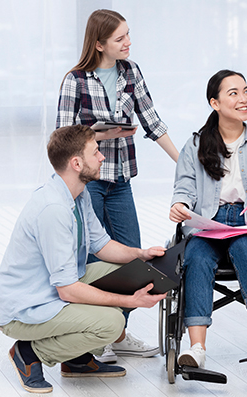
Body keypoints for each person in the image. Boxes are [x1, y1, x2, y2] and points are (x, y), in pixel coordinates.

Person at [0, 125, 167, 394]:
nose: (102, 158)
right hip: (26, 308)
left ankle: (77, 360)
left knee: (129, 273)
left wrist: (140, 255)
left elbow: (102, 244)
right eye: (96, 152)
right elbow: (68, 289)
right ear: (76, 163)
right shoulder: (54, 209)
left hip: (52, 289)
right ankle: (28, 352)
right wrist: (129, 302)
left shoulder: (78, 194)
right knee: (112, 322)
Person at [56, 9, 178, 361]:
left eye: (128, 35)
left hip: (121, 179)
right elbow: (63, 137)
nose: (128, 43)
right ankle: (101, 335)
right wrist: (98, 134)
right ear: (99, 44)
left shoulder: (131, 72)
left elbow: (152, 122)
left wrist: (185, 161)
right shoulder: (76, 81)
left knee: (134, 258)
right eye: (120, 38)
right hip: (89, 183)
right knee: (96, 258)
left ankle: (117, 332)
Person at [169, 70, 247, 369]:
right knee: (197, 257)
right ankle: (197, 347)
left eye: (246, 91)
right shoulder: (196, 144)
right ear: (215, 103)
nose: (244, 99)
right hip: (209, 224)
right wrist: (180, 204)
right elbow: (184, 187)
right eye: (234, 93)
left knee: (244, 246)